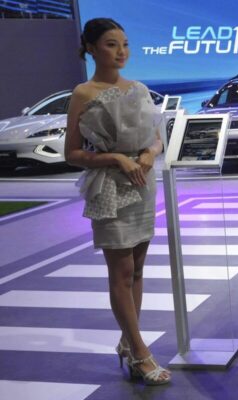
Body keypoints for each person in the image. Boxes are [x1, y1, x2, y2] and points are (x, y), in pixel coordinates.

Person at [64, 18, 170, 386]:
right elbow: (72, 153)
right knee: (121, 273)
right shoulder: (83, 93)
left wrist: (149, 153)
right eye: (111, 44)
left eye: (124, 43)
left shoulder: (138, 88)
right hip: (109, 187)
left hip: (143, 184)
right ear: (91, 49)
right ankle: (140, 352)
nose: (121, 51)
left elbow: (156, 137)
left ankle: (128, 342)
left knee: (137, 270)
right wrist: (115, 158)